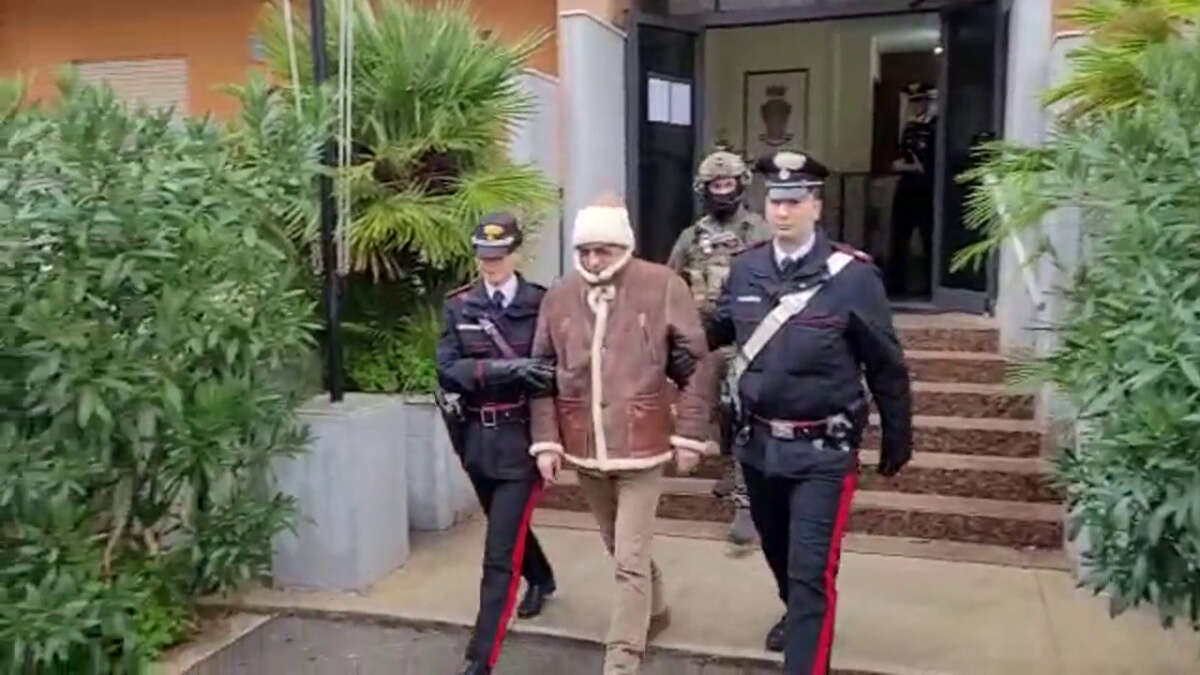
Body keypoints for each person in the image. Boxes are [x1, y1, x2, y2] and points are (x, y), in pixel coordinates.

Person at [706, 151, 912, 674]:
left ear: (816, 206)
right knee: (779, 554)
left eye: (795, 201)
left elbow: (885, 364)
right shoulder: (747, 269)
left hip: (823, 450)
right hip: (758, 446)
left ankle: (804, 641)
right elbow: (715, 331)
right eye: (776, 201)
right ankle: (798, 613)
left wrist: (897, 434)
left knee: (810, 571)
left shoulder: (853, 277)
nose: (783, 211)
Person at [528, 196, 714, 674]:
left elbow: (697, 364)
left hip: (643, 444)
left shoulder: (662, 285)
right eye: (585, 251)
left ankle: (622, 658)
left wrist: (690, 433)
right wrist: (547, 440)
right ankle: (656, 609)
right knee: (619, 546)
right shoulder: (559, 296)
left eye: (604, 250)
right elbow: (541, 373)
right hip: (584, 446)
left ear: (624, 246)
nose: (594, 260)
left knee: (629, 557)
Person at [435, 213, 559, 675]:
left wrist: (551, 441)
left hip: (522, 440)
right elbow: (447, 368)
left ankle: (481, 658)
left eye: (499, 256)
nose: (491, 264)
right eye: (484, 256)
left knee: (498, 552)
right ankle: (542, 577)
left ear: (516, 253)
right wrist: (503, 370)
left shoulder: (540, 303)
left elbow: (552, 372)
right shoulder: (460, 305)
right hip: (475, 439)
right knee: (507, 525)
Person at [666, 150, 771, 550]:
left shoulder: (759, 231)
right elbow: (671, 285)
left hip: (752, 338)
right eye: (716, 185)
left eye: (729, 184)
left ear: (741, 186)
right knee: (723, 414)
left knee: (742, 413)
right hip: (704, 340)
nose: (723, 192)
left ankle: (746, 503)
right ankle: (731, 468)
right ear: (704, 189)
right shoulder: (691, 237)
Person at [888, 82, 938, 296]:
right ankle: (896, 284)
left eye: (922, 101)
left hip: (927, 189)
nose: (918, 106)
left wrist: (911, 167)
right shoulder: (910, 128)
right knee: (899, 237)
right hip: (907, 188)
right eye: (915, 102)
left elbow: (931, 163)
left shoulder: (936, 128)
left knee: (930, 239)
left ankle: (931, 286)